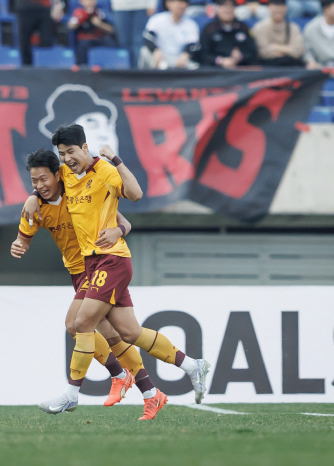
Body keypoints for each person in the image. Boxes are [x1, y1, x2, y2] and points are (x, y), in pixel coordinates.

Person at [23, 125, 210, 417]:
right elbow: (48, 183)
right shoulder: (68, 175)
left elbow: (135, 194)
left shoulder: (104, 171)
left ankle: (74, 393)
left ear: (85, 148)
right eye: (62, 154)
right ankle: (190, 365)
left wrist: (116, 161)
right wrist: (34, 195)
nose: (67, 159)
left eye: (71, 152)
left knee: (81, 323)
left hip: (111, 259)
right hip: (92, 263)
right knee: (129, 332)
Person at [11, 149, 162, 417]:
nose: (39, 186)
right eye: (34, 182)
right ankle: (149, 390)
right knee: (117, 335)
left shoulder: (80, 192)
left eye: (43, 179)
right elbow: (24, 237)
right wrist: (19, 243)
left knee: (76, 324)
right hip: (79, 273)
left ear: (59, 174)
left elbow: (123, 221)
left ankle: (93, 385)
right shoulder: (36, 205)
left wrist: (118, 230)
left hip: (101, 266)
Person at [194, 0, 258, 68]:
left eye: (231, 6)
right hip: (215, 72)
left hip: (241, 70)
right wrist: (220, 60)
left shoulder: (244, 28)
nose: (227, 9)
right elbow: (203, 54)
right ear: (217, 8)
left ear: (235, 9)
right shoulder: (209, 29)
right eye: (223, 6)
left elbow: (253, 51)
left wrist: (240, 56)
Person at [140, 0, 200, 69]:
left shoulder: (191, 24)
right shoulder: (157, 19)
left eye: (184, 3)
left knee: (194, 67)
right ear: (168, 3)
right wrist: (155, 50)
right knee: (144, 51)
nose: (181, 6)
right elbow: (148, 38)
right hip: (160, 56)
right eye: (178, 2)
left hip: (179, 58)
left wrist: (186, 54)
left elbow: (193, 44)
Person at [252, 0, 305, 66]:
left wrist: (274, 47)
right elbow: (262, 52)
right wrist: (287, 50)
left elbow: (298, 51)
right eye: (275, 5)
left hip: (290, 65)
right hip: (268, 66)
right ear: (268, 7)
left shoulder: (293, 27)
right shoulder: (260, 27)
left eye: (281, 6)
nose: (278, 9)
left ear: (286, 8)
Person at [111, 0, 157, 67]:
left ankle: (137, 71)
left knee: (138, 42)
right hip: (120, 6)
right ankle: (124, 70)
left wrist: (152, 3)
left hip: (140, 6)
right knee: (123, 41)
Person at [16, 0, 64, 66]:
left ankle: (45, 67)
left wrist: (57, 4)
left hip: (44, 7)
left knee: (47, 41)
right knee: (24, 42)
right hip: (25, 6)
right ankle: (26, 69)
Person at [68, 0, 116, 65]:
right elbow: (71, 26)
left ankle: (114, 65)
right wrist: (82, 17)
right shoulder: (78, 12)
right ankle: (82, 67)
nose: (90, 2)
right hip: (85, 38)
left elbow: (111, 30)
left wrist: (100, 24)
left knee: (111, 44)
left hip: (100, 38)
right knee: (83, 46)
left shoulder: (100, 12)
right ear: (81, 2)